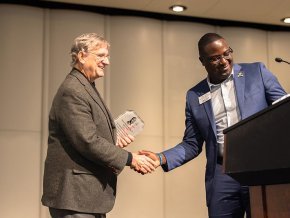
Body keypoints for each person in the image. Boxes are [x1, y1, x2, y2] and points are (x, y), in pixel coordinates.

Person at [140, 33, 287, 218]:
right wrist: (161, 158)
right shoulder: (194, 95)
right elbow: (192, 144)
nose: (224, 61)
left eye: (227, 53)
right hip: (222, 172)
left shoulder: (256, 72)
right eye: (215, 58)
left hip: (260, 167)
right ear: (202, 61)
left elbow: (284, 110)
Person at [41, 33, 156, 218]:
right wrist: (130, 158)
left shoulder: (84, 86)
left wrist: (113, 140)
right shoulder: (73, 90)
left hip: (85, 197)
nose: (107, 61)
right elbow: (87, 141)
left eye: (107, 56)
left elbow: (84, 136)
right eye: (101, 55)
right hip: (75, 196)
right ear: (81, 56)